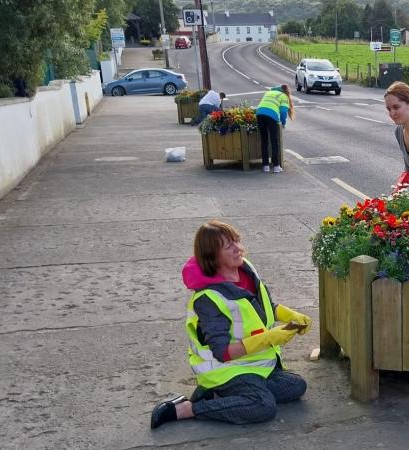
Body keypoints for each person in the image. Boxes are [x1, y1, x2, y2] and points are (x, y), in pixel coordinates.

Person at [150, 220, 311, 428]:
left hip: (255, 366)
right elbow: (222, 352)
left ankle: (223, 396)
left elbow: (264, 306)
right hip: (226, 369)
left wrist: (291, 316)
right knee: (264, 406)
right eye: (229, 246)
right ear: (213, 257)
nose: (239, 248)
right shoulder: (207, 298)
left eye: (237, 241)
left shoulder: (246, 269)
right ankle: (187, 409)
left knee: (296, 386)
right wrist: (270, 338)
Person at [256, 85, 294, 174]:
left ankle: (265, 166)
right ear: (286, 92)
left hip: (259, 114)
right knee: (274, 141)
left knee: (264, 141)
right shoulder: (283, 96)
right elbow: (283, 111)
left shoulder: (268, 92)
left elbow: (264, 104)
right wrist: (283, 123)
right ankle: (276, 166)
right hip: (272, 115)